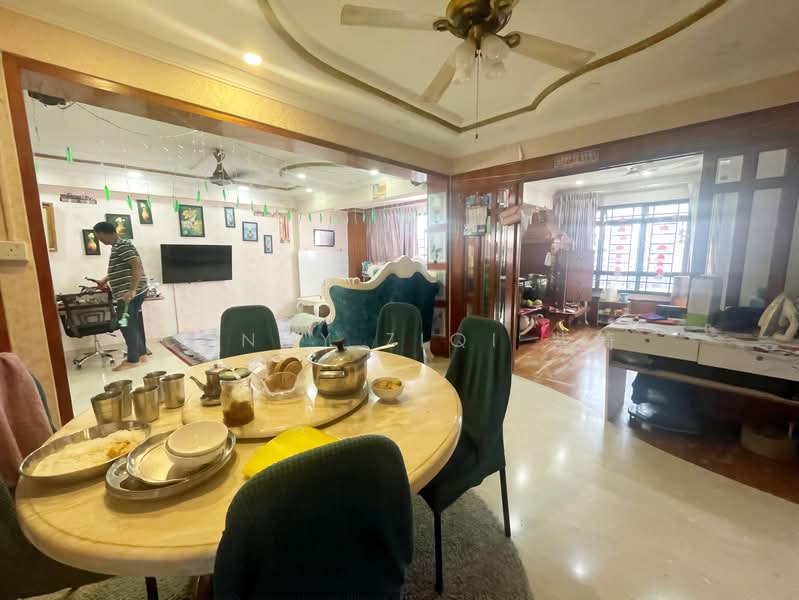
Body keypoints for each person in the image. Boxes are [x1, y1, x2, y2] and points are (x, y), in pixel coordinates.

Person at [92, 221, 148, 371]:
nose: (99, 240)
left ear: (102, 233)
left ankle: (133, 360)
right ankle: (141, 354)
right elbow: (121, 268)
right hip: (130, 292)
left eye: (98, 236)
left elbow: (137, 266)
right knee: (131, 324)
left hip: (129, 294)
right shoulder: (118, 246)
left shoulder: (122, 245)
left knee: (125, 324)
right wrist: (105, 280)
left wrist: (132, 290)